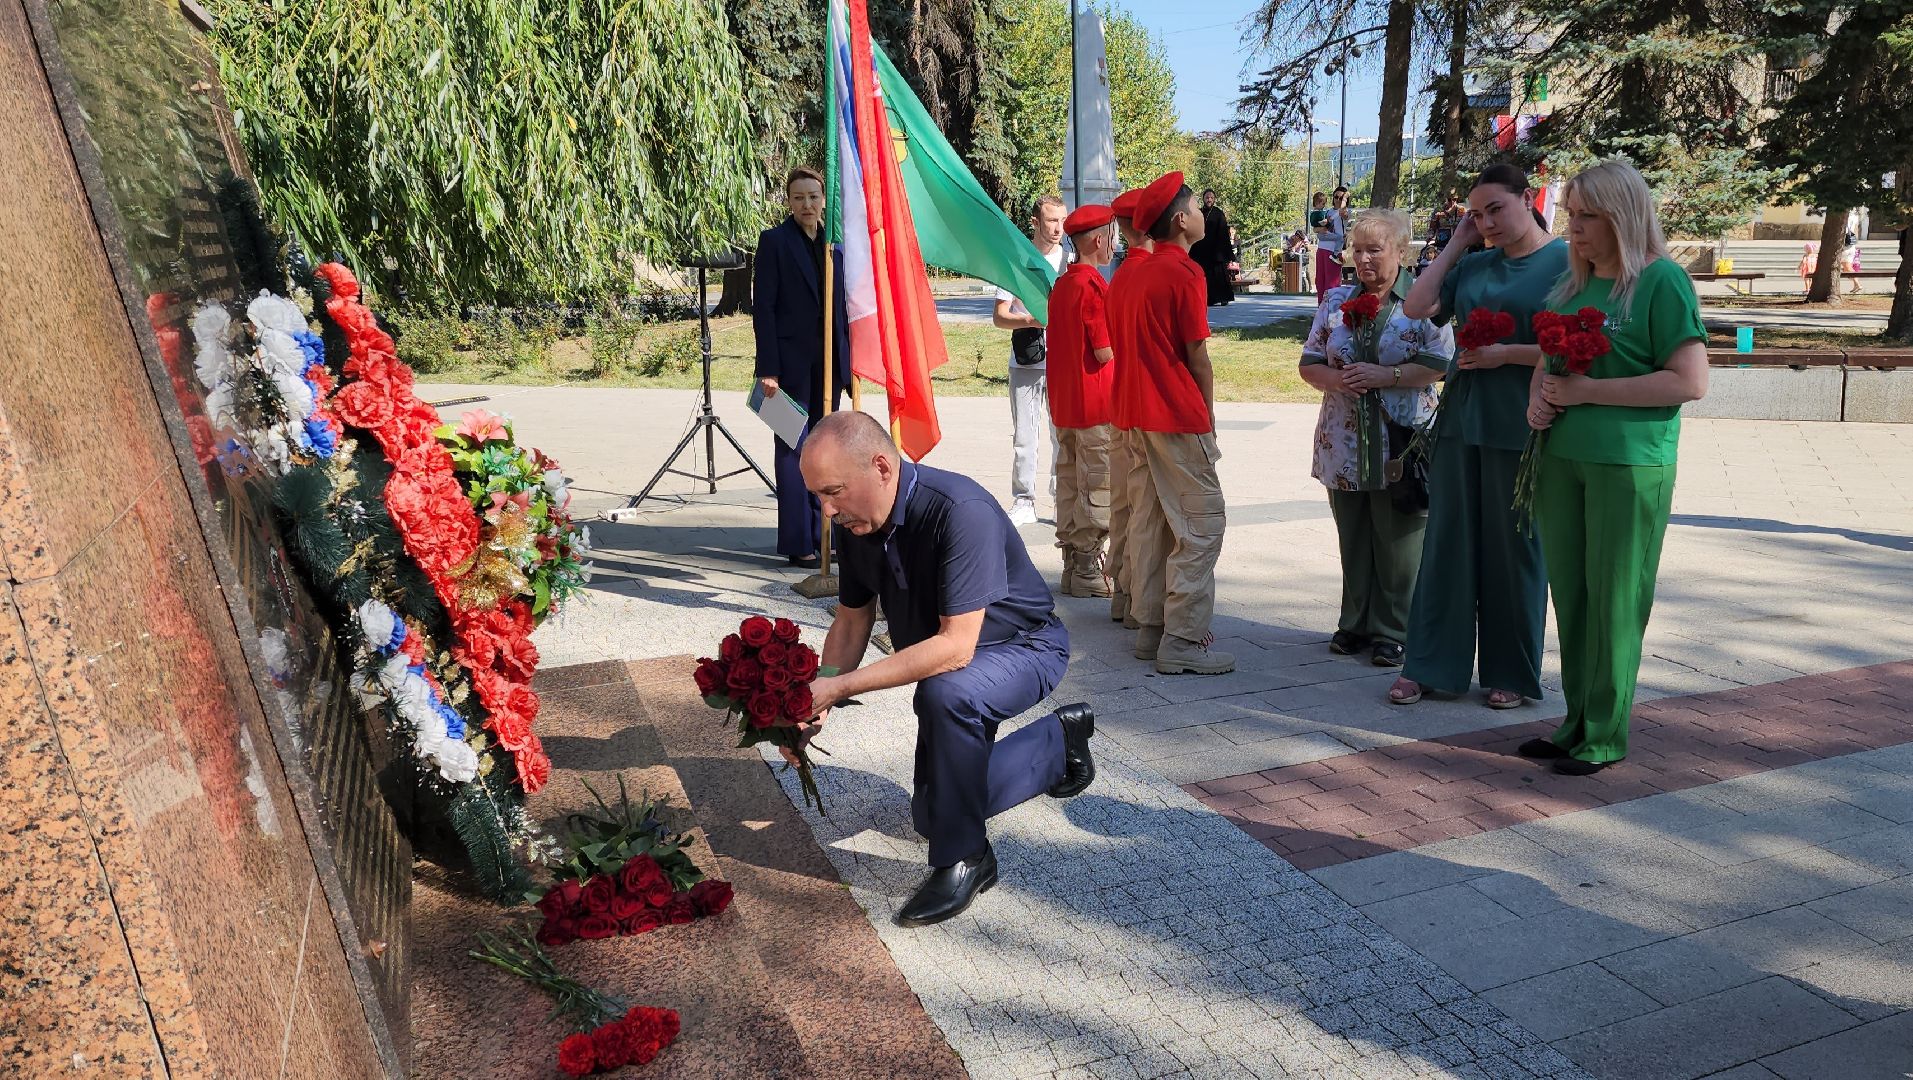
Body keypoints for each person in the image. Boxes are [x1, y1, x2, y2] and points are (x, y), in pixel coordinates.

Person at [793, 411, 1097, 923]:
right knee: (931, 815)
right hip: (954, 665)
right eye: (818, 496)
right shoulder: (855, 520)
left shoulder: (961, 509)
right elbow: (851, 619)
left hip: (1024, 649)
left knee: (945, 695)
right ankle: (1057, 743)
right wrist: (818, 699)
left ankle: (967, 858)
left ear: (882, 467)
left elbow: (955, 647)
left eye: (834, 492)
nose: (826, 510)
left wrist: (844, 684)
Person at [1523, 158, 1708, 775]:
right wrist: (1537, 402)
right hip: (1562, 460)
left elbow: (1689, 381)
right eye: (1570, 216)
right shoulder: (1574, 285)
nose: (1573, 229)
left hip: (1629, 464)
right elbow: (1545, 359)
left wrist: (1585, 394)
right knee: (1571, 596)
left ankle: (1605, 733)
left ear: (1623, 217)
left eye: (1588, 217)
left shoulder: (1662, 282)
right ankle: (1575, 722)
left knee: (1615, 599)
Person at [1393, 163, 1570, 710]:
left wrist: (1507, 355)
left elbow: (1581, 342)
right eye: (1478, 212)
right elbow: (1415, 307)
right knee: (1446, 544)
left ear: (1527, 199)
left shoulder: (1565, 262)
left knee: (1515, 549)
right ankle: (1429, 665)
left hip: (1524, 421)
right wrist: (1459, 241)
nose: (1488, 221)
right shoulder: (1475, 262)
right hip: (1462, 420)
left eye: (1497, 208)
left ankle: (1511, 673)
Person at [1299, 210, 1451, 667]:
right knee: (1354, 534)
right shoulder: (1335, 300)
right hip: (1344, 443)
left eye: (1374, 250)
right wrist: (1338, 380)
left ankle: (1394, 629)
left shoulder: (1425, 300)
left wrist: (1389, 374)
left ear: (1401, 252)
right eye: (1357, 249)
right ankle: (1356, 622)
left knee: (1400, 540)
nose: (1362, 259)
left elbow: (1442, 364)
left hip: (1401, 444)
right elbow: (1309, 362)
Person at [1110, 172, 1232, 675]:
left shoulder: (1128, 274)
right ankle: (1182, 638)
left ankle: (1151, 627)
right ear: (1182, 221)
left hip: (1135, 415)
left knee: (1154, 521)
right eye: (1196, 208)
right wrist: (1206, 418)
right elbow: (1196, 357)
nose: (1205, 214)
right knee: (1201, 525)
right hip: (1175, 414)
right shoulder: (1185, 274)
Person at [753, 166, 851, 568]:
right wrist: (768, 370)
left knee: (827, 451)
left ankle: (826, 535)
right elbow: (765, 309)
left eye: (813, 197)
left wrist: (850, 361)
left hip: (829, 366)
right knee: (792, 451)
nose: (807, 205)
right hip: (787, 369)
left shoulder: (835, 244)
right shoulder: (774, 242)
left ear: (823, 200)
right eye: (799, 198)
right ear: (788, 202)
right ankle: (799, 542)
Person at [1045, 204, 1120, 598]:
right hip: (1095, 405)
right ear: (1097, 240)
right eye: (1111, 235)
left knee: (1071, 483)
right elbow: (1106, 350)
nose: (1114, 243)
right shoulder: (1093, 287)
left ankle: (1073, 566)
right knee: (1098, 484)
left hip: (1066, 405)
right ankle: (1089, 565)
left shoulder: (1062, 285)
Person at [993, 196, 1070, 526]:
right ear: (1035, 222)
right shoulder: (1016, 260)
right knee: (1025, 435)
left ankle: (1061, 497)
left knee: (1062, 434)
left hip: (1063, 360)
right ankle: (1024, 499)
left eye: (1062, 221)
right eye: (1052, 221)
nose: (1058, 228)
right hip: (1026, 358)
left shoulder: (1071, 260)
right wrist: (1030, 320)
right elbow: (999, 316)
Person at [1104, 189, 1155, 630]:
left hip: (1121, 401)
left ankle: (1123, 594)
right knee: (1145, 510)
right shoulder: (1149, 274)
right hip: (1147, 406)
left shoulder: (1119, 276)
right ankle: (1139, 598)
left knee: (1123, 505)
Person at [1188, 190, 1235, 306]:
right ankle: (1209, 298)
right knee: (1205, 275)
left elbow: (1223, 233)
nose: (1209, 200)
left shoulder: (1218, 213)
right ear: (1203, 199)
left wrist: (1224, 252)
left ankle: (1224, 297)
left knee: (1219, 274)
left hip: (1216, 249)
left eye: (1211, 198)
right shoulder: (1199, 213)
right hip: (1201, 249)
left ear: (1214, 199)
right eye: (1207, 197)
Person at [1309, 191, 1346, 303]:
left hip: (1333, 251)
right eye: (1336, 197)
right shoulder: (1327, 211)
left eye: (1341, 198)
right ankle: (1321, 308)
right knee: (1320, 281)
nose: (1338, 200)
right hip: (1322, 249)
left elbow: (1342, 211)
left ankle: (1332, 309)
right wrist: (1320, 229)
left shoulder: (1344, 212)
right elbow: (1315, 229)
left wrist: (1346, 197)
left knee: (1332, 283)